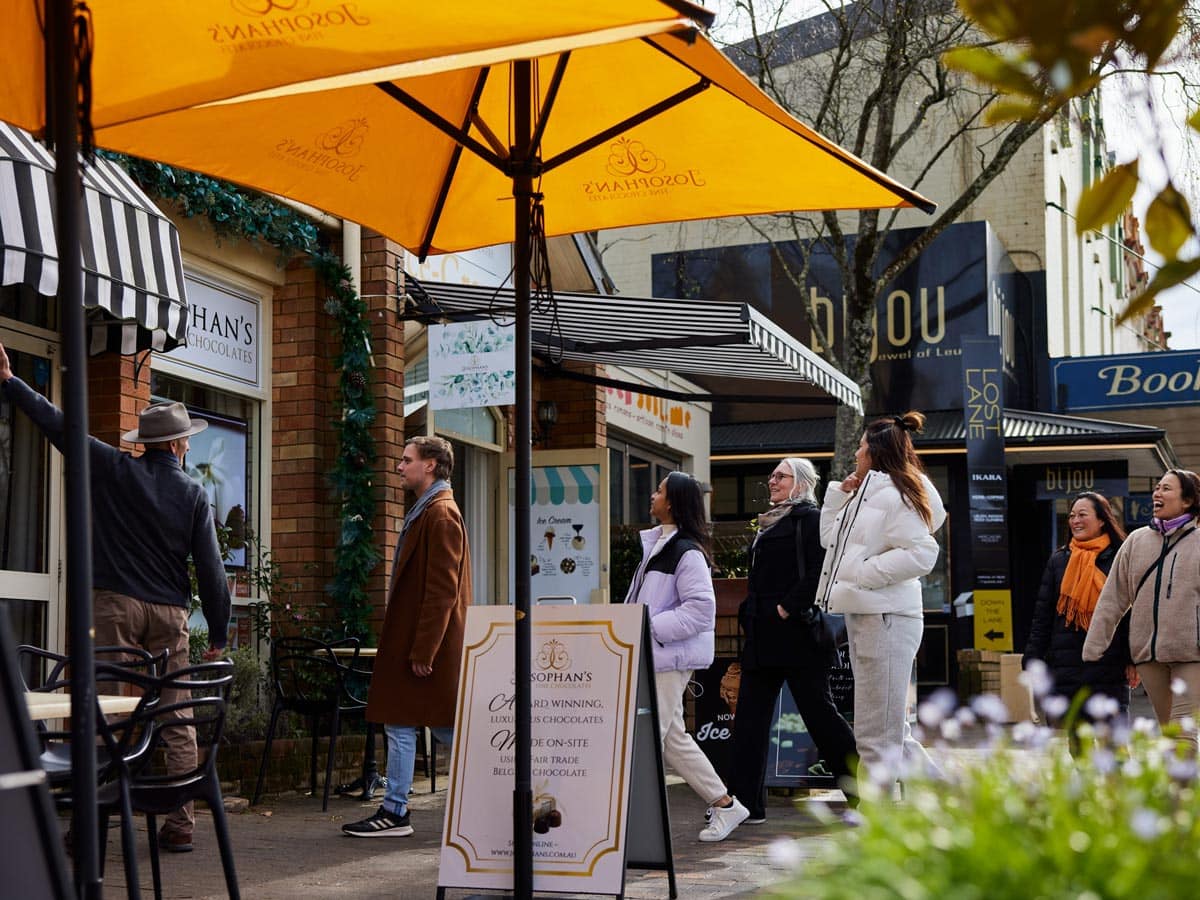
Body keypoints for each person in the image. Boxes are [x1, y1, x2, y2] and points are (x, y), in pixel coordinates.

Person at [0, 341, 230, 853]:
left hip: (115, 608)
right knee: (175, 714)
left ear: (150, 443)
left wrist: (12, 383)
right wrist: (218, 631)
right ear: (177, 445)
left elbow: (61, 426)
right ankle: (181, 822)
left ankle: (92, 823)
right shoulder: (193, 494)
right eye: (186, 441)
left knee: (108, 714)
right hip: (169, 615)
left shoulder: (114, 468)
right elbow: (211, 570)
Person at [343, 436, 471, 837]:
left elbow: (442, 590)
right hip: (415, 643)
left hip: (425, 647)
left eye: (406, 460)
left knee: (442, 727)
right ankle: (396, 809)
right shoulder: (428, 510)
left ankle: (398, 811)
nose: (399, 466)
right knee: (413, 722)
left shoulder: (440, 514)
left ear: (430, 465)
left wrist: (424, 648)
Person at [815, 411, 946, 786]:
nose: (856, 453)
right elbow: (830, 542)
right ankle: (955, 803)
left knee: (876, 732)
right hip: (871, 615)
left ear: (875, 451)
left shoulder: (893, 496)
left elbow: (923, 553)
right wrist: (839, 495)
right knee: (889, 728)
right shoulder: (869, 494)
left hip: (885, 617)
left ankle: (879, 823)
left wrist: (863, 573)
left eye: (860, 446)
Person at [730, 458, 857, 822]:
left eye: (780, 476)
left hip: (798, 635)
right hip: (762, 635)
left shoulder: (811, 519)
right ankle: (745, 807)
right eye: (771, 475)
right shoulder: (768, 523)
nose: (772, 480)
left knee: (821, 718)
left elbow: (822, 570)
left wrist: (787, 607)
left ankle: (864, 795)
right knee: (750, 723)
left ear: (800, 484)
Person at [625, 471, 749, 842]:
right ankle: (726, 805)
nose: (652, 495)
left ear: (674, 502)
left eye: (659, 490)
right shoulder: (661, 545)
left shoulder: (685, 551)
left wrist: (649, 627)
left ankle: (614, 823)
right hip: (658, 656)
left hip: (665, 658)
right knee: (670, 738)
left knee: (644, 739)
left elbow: (700, 610)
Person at [1084, 469, 1200, 739]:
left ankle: (1180, 782)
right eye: (1157, 487)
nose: (1157, 493)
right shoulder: (1136, 541)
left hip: (1192, 652)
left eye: (1167, 488)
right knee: (1170, 732)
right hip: (1148, 654)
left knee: (1184, 730)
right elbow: (1113, 597)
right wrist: (1094, 646)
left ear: (1187, 501)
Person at [1024, 492, 1135, 732]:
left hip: (1109, 663)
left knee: (1113, 742)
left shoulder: (1120, 557)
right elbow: (1043, 615)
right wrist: (1032, 659)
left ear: (1102, 519)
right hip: (1067, 664)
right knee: (1076, 742)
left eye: (1082, 515)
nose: (1075, 520)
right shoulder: (1059, 560)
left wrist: (1132, 658)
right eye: (1072, 515)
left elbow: (1130, 616)